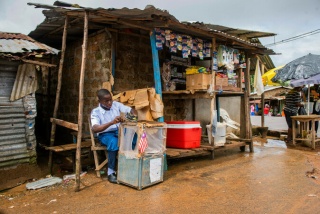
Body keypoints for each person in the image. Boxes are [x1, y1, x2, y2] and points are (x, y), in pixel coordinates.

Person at [91, 89, 137, 184]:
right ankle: (110, 172)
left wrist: (132, 115)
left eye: (110, 100)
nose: (110, 103)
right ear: (99, 101)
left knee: (134, 136)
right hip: (105, 134)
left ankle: (128, 165)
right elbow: (95, 129)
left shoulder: (116, 104)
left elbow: (130, 110)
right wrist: (112, 122)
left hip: (118, 131)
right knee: (114, 142)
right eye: (106, 101)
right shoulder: (96, 112)